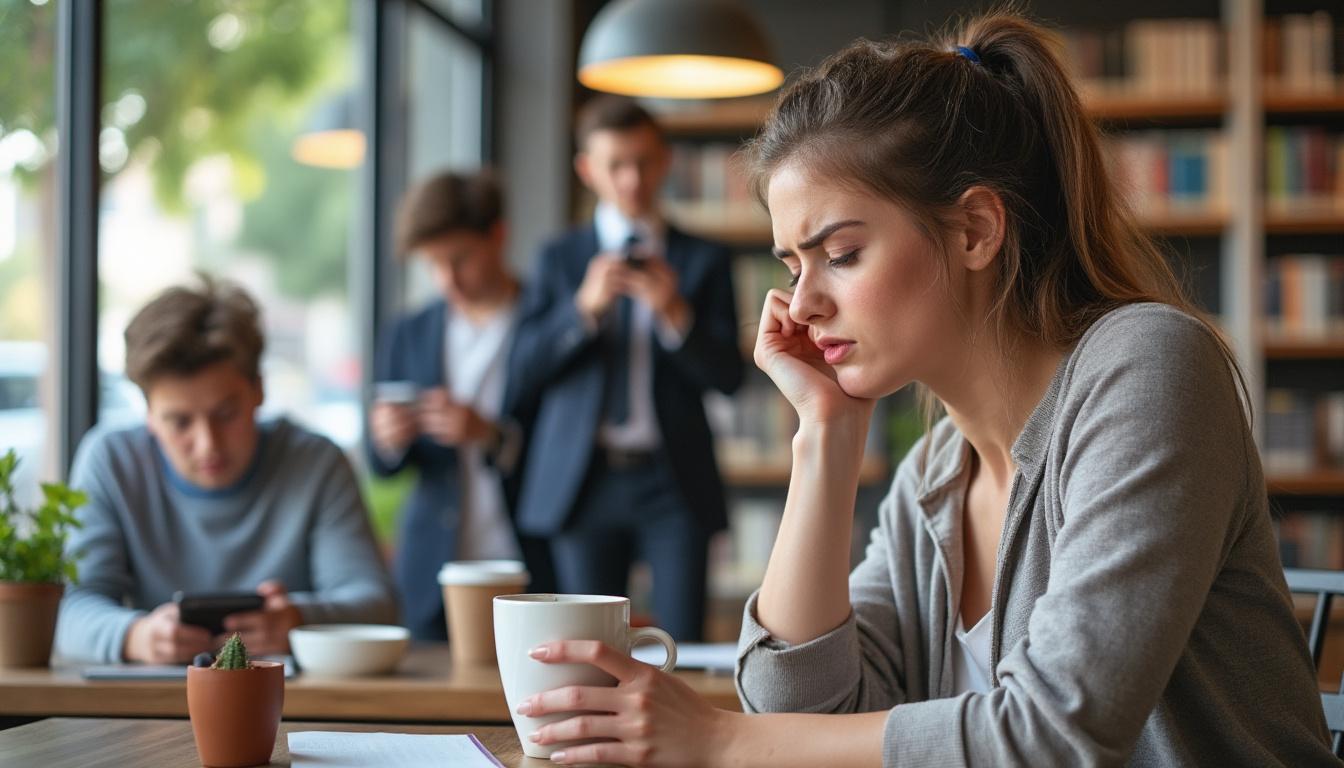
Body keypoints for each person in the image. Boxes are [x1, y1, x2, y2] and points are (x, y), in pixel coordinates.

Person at [507, 12, 1336, 767]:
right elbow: (805, 707)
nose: (800, 306)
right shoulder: (936, 470)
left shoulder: (1149, 366)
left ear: (975, 229)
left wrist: (720, 739)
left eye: (841, 252)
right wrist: (824, 436)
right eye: (791, 267)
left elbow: (1053, 735)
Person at [56, 277, 397, 664]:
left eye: (226, 414)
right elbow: (69, 607)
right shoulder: (111, 461)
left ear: (259, 390)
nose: (208, 444)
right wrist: (136, 636)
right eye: (180, 422)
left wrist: (298, 620)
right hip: (150, 708)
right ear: (148, 413)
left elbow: (375, 602)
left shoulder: (315, 463)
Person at [508, 96, 743, 642]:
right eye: (616, 164)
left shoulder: (703, 259)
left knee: (681, 648)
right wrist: (583, 311)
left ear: (665, 162)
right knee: (586, 649)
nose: (633, 179)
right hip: (581, 480)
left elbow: (729, 377)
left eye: (644, 161)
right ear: (588, 170)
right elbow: (523, 373)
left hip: (674, 478)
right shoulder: (559, 258)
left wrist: (675, 314)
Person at [367, 169, 555, 641]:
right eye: (433, 264)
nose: (447, 279)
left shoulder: (552, 320)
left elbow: (571, 449)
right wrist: (386, 439)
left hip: (531, 559)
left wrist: (491, 435)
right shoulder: (409, 332)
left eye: (460, 259)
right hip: (433, 566)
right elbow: (380, 466)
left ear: (498, 235)